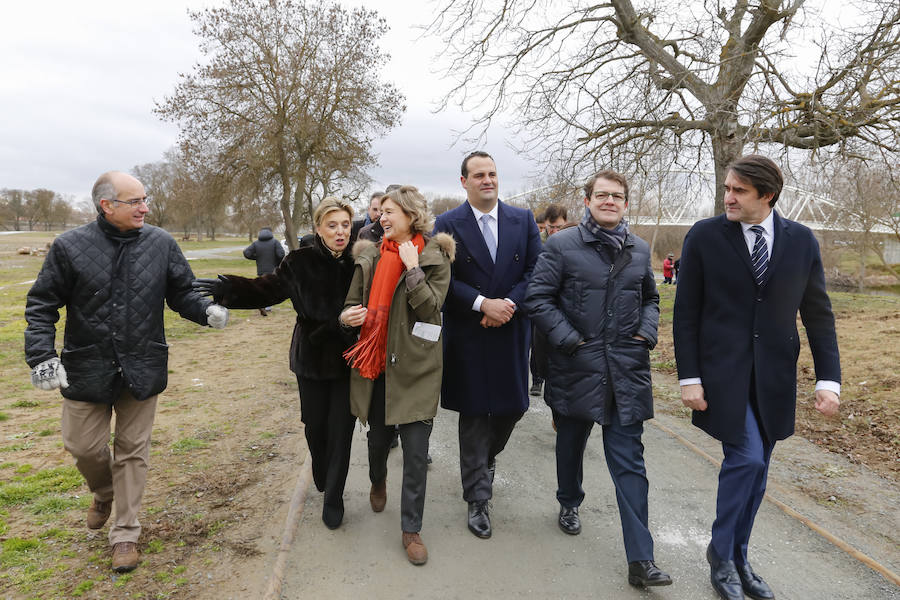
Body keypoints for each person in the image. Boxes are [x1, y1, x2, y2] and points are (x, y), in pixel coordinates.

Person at [24, 171, 229, 573]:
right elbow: (42, 304)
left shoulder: (161, 243)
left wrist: (204, 310)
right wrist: (41, 356)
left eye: (145, 199)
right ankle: (103, 492)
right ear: (107, 205)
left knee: (133, 451)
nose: (145, 207)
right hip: (87, 365)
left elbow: (181, 292)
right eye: (135, 201)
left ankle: (125, 534)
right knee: (82, 446)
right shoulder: (69, 246)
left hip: (143, 364)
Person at [673, 155, 841, 600]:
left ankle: (741, 557)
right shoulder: (706, 236)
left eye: (739, 191)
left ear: (766, 195)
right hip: (722, 375)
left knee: (759, 472)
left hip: (774, 378)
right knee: (746, 459)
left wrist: (829, 381)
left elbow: (819, 316)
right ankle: (721, 555)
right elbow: (685, 313)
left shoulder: (802, 241)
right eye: (727, 188)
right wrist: (688, 376)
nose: (727, 197)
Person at [524, 170, 672, 588]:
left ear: (626, 203)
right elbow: (538, 298)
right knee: (570, 444)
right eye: (602, 195)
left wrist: (646, 332)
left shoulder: (639, 249)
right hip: (578, 367)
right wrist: (569, 341)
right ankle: (569, 500)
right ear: (587, 200)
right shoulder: (562, 245)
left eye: (618, 196)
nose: (610, 201)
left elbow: (650, 298)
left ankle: (641, 560)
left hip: (626, 370)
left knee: (630, 463)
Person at [193, 198, 357, 530]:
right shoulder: (299, 261)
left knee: (342, 430)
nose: (340, 232)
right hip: (310, 357)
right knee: (315, 425)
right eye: (332, 225)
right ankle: (322, 473)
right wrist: (228, 289)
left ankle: (334, 498)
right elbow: (266, 290)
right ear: (318, 228)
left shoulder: (360, 262)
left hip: (347, 359)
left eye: (345, 225)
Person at [340, 186, 454, 565]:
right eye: (381, 212)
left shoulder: (435, 257)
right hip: (377, 367)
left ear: (411, 215)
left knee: (416, 455)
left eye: (390, 212)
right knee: (377, 444)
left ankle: (411, 529)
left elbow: (431, 312)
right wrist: (348, 317)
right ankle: (377, 479)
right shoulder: (369, 257)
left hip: (417, 369)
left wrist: (413, 268)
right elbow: (350, 305)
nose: (382, 218)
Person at [433, 151, 542, 539]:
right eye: (478, 175)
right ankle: (478, 498)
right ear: (464, 182)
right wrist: (482, 303)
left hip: (512, 329)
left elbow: (536, 270)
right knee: (476, 415)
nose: (487, 180)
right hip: (471, 332)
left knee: (513, 409)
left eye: (492, 173)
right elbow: (442, 280)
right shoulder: (446, 225)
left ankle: (485, 460)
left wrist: (508, 304)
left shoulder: (523, 220)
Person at [529, 203, 568, 397]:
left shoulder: (572, 242)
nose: (554, 231)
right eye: (550, 227)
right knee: (537, 345)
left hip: (561, 304)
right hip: (537, 302)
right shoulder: (537, 243)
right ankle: (537, 379)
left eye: (558, 227)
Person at [243, 226, 286, 315]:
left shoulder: (256, 243)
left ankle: (260, 303)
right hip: (272, 270)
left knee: (261, 287)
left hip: (261, 270)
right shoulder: (275, 242)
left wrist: (256, 257)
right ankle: (267, 305)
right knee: (271, 288)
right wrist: (277, 262)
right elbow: (281, 254)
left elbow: (246, 253)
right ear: (270, 233)